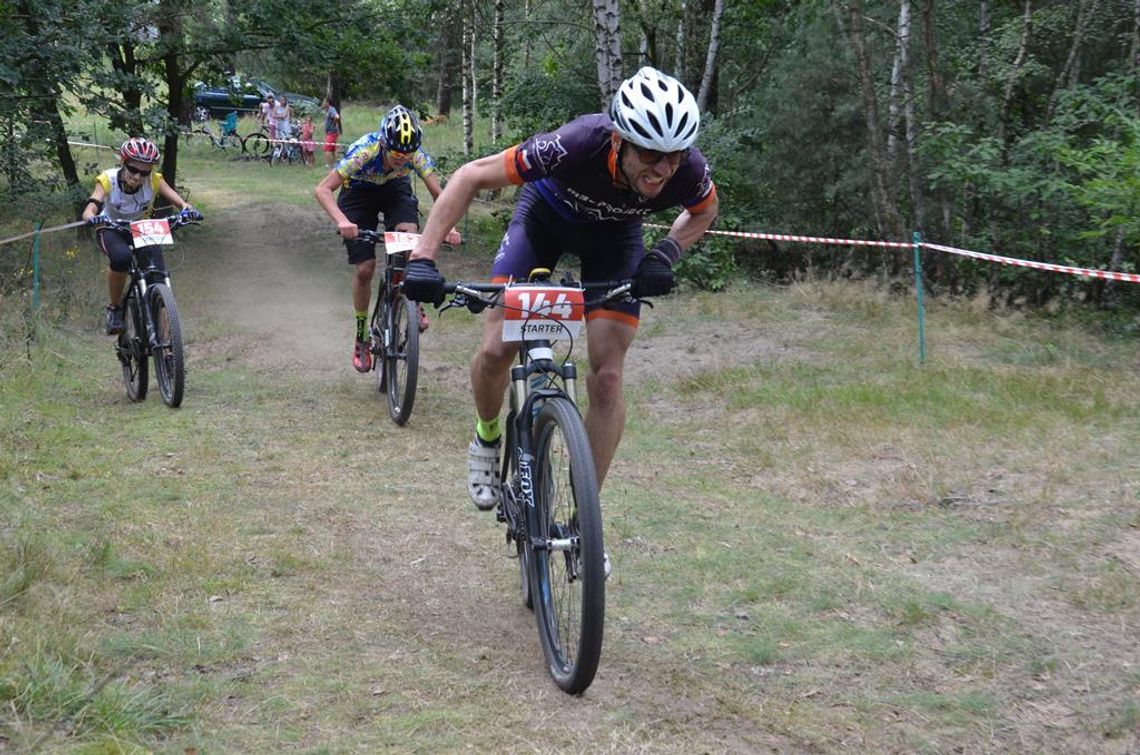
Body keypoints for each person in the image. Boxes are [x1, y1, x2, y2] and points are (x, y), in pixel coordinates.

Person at [402, 66, 718, 513]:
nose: (664, 168)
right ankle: (487, 435)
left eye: (675, 155)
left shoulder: (687, 170)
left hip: (614, 240)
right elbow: (471, 176)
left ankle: (582, 516)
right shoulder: (576, 144)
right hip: (543, 221)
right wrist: (423, 258)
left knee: (607, 378)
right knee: (496, 349)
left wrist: (665, 254)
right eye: (650, 154)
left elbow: (705, 212)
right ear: (618, 141)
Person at [314, 104, 462, 373]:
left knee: (409, 239)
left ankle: (411, 296)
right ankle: (361, 337)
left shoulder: (412, 155)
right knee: (365, 268)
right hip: (358, 194)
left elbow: (441, 196)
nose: (402, 158)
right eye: (396, 153)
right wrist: (343, 221)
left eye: (407, 154)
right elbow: (323, 189)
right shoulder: (364, 151)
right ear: (384, 143)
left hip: (394, 190)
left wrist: (448, 227)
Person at [80, 137, 202, 334]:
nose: (137, 177)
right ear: (123, 162)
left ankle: (166, 342)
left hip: (141, 228)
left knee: (158, 275)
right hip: (112, 227)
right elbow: (92, 204)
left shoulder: (154, 180)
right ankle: (115, 308)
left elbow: (180, 202)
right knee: (121, 258)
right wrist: (91, 217)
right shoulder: (107, 179)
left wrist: (188, 210)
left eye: (144, 172)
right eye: (133, 169)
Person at [321, 98, 341, 169]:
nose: (322, 103)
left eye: (324, 102)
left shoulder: (331, 109)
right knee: (332, 149)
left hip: (332, 133)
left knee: (326, 149)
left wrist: (334, 123)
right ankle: (335, 164)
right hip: (329, 133)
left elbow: (337, 117)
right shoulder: (327, 111)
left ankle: (329, 165)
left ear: (327, 103)